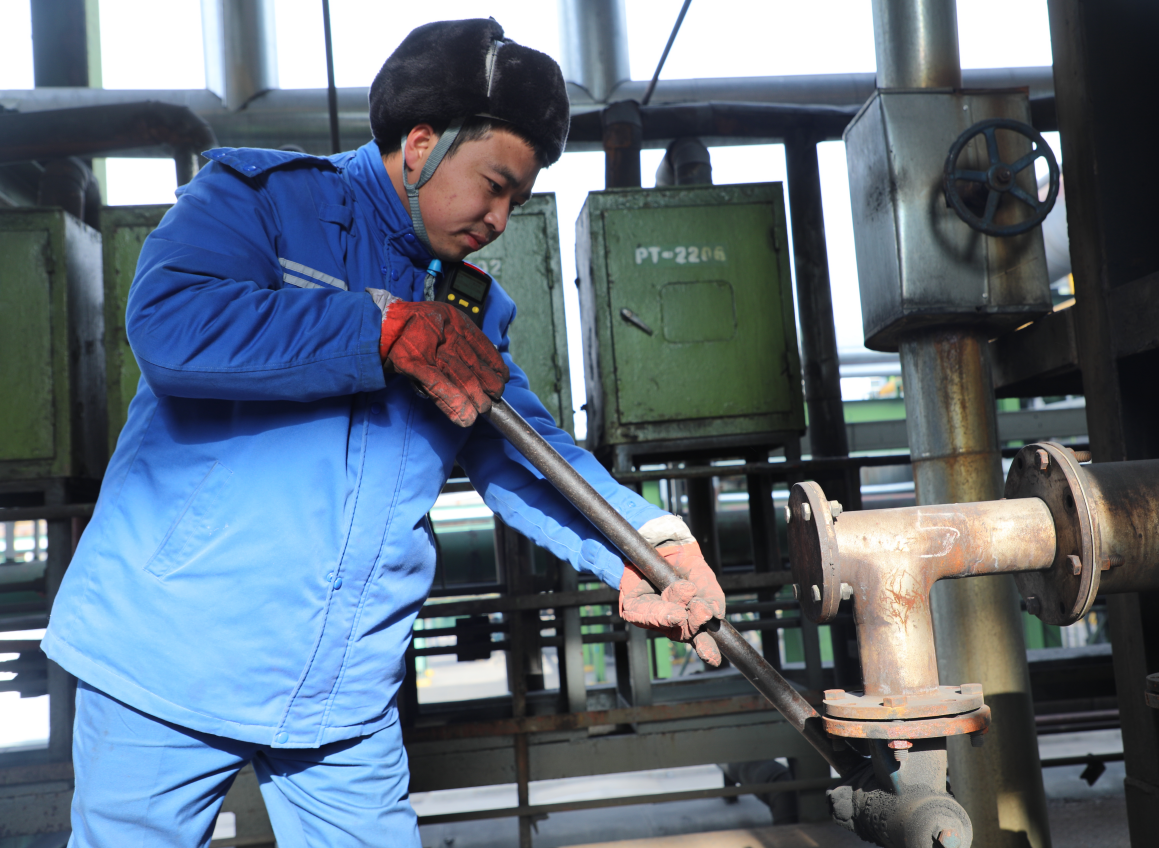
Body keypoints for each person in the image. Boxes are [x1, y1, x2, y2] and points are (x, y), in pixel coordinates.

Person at [42, 18, 725, 848]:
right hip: (169, 657)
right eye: (494, 185)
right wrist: (378, 330)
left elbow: (524, 451)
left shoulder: (470, 314)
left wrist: (647, 546)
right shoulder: (262, 201)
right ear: (422, 143)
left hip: (342, 690)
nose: (500, 219)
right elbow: (171, 323)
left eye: (516, 200)